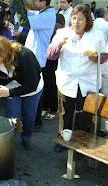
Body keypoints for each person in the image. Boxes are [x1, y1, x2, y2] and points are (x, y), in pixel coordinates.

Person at [46, 5, 108, 153]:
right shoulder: (62, 33)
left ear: (87, 21)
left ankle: (81, 142)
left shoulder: (96, 34)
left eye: (81, 19)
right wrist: (59, 45)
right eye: (74, 18)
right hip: (67, 80)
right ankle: (62, 139)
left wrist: (96, 57)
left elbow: (104, 55)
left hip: (88, 81)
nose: (76, 22)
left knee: (84, 114)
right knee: (65, 113)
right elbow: (50, 55)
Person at [0, 36, 43, 150]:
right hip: (12, 86)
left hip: (33, 88)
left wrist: (9, 92)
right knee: (12, 116)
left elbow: (31, 85)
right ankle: (8, 141)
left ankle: (26, 138)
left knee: (29, 116)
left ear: (2, 54)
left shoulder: (24, 55)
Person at [15, 0, 56, 131]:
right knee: (34, 88)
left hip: (38, 58)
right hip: (33, 56)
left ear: (43, 2)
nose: (32, 2)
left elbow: (25, 22)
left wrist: (18, 3)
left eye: (35, 0)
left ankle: (36, 122)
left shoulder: (48, 15)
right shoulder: (40, 13)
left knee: (35, 90)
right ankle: (34, 120)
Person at [42, 14, 65, 120]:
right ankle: (50, 109)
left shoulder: (57, 28)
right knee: (51, 85)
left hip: (50, 60)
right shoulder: (57, 28)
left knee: (48, 85)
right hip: (53, 60)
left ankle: (49, 108)